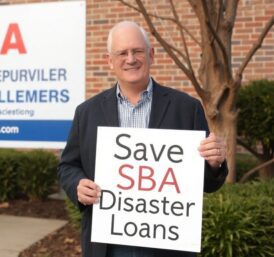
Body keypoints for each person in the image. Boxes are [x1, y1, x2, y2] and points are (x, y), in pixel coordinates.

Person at [58, 21, 228, 257]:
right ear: (110, 61)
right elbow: (68, 166)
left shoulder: (187, 109)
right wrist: (77, 184)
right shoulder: (87, 112)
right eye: (122, 53)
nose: (130, 59)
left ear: (151, 55)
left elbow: (207, 184)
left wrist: (214, 162)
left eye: (137, 51)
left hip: (167, 246)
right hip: (107, 245)